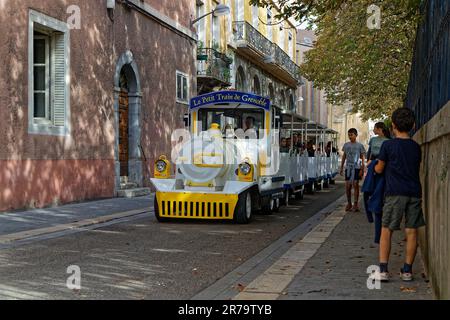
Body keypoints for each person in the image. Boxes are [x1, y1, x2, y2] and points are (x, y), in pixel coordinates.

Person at [373, 108, 425, 282]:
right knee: (412, 231)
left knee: (386, 230)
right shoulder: (416, 147)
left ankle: (383, 270)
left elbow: (379, 168)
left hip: (394, 193)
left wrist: (374, 167)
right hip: (414, 193)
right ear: (413, 125)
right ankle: (407, 270)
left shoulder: (388, 145)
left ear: (393, 125)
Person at [340, 128, 366, 212]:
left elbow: (362, 157)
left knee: (355, 184)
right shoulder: (346, 145)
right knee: (348, 186)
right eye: (349, 135)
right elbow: (344, 156)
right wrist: (341, 167)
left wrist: (362, 168)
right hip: (348, 167)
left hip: (356, 167)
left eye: (351, 135)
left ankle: (355, 204)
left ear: (356, 135)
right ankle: (349, 203)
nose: (350, 136)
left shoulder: (359, 146)